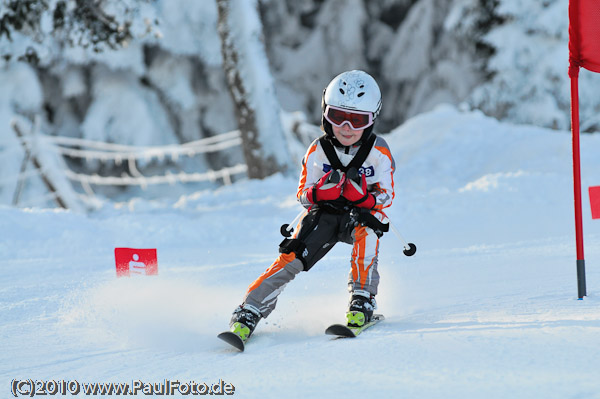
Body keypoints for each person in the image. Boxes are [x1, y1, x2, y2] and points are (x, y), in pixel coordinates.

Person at [227, 70, 395, 342]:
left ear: (371, 120)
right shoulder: (318, 150)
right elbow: (303, 194)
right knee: (292, 255)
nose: (347, 128)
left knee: (369, 235)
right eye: (338, 117)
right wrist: (319, 193)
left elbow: (386, 195)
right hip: (325, 215)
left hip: (360, 214)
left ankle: (362, 300)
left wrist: (364, 198)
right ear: (325, 115)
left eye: (357, 120)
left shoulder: (379, 152)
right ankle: (250, 310)